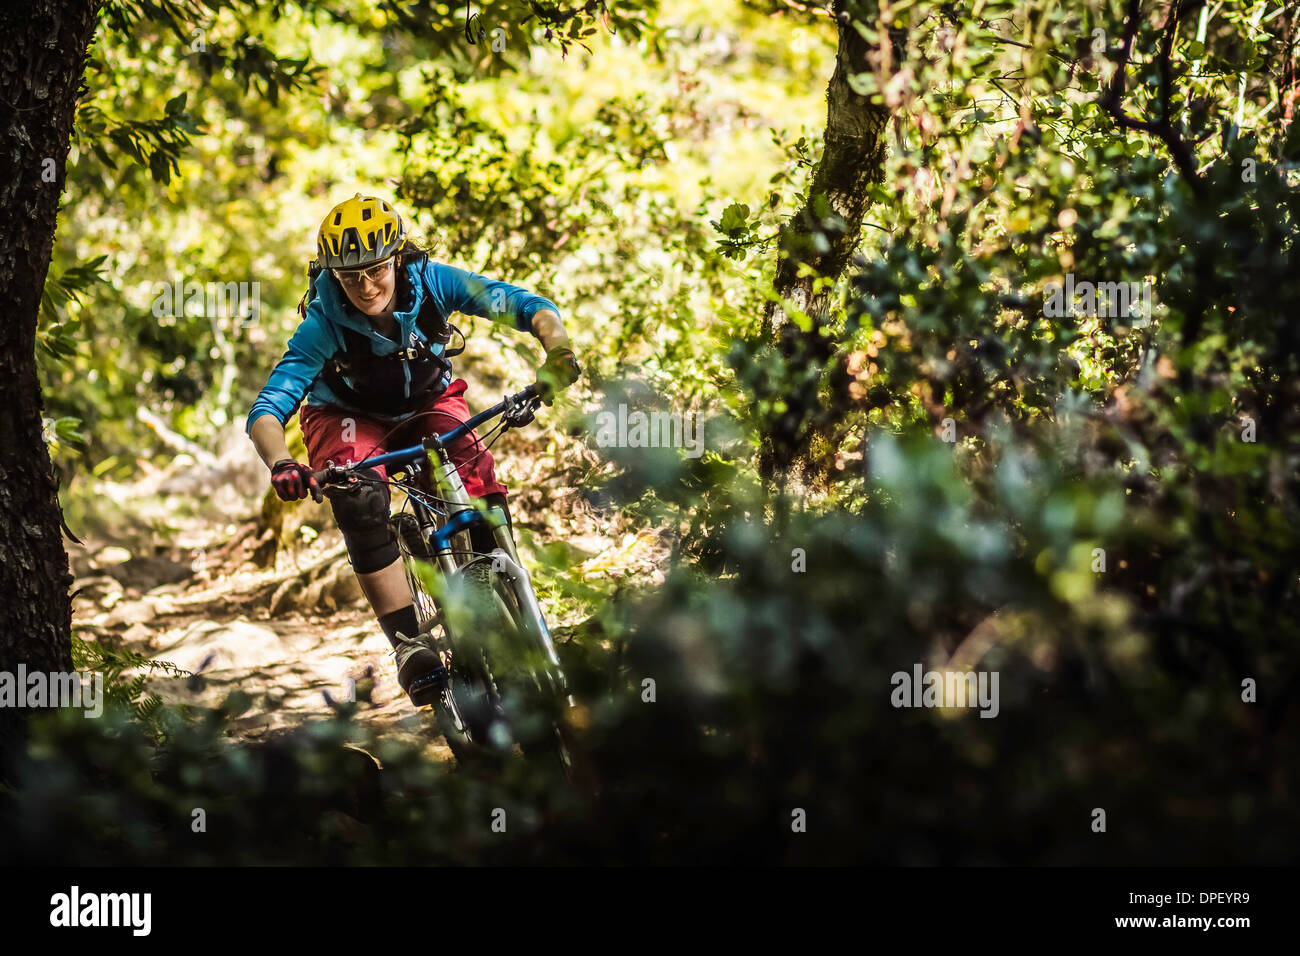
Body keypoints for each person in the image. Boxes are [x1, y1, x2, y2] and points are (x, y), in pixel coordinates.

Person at [246, 194, 580, 706]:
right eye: (348, 274)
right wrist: (282, 464)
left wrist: (558, 351)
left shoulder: (434, 282)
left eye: (375, 268)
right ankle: (407, 642)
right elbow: (268, 409)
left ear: (397, 257)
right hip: (348, 417)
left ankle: (506, 593)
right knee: (357, 495)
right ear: (331, 274)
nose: (364, 285)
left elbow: (522, 304)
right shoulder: (322, 324)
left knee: (472, 465)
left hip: (427, 402)